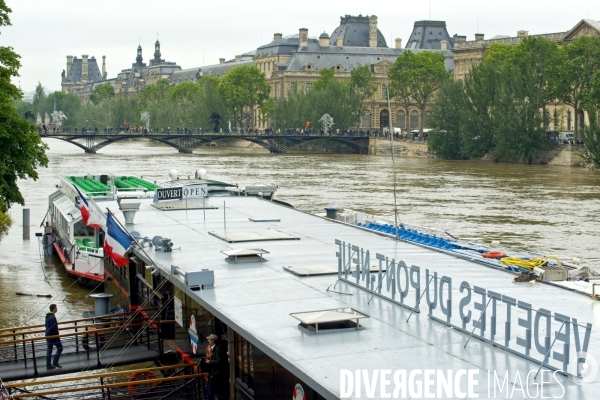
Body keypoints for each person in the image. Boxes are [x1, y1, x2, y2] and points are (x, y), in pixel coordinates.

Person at [45, 304, 62, 369]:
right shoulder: (52, 317)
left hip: (48, 335)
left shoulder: (47, 316)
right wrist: (57, 334)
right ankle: (55, 362)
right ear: (54, 309)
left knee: (49, 350)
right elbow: (53, 328)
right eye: (56, 307)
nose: (57, 309)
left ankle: (48, 365)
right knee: (60, 348)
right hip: (53, 336)